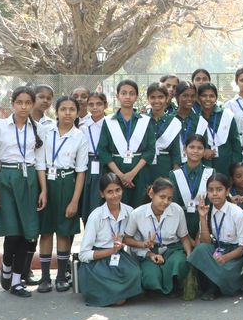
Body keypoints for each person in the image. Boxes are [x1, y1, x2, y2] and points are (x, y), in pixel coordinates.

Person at [0, 86, 48, 298]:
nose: (23, 107)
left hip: (29, 179)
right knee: (12, 232)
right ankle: (6, 264)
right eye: (19, 102)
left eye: (28, 103)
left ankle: (16, 281)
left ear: (33, 105)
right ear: (12, 104)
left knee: (27, 233)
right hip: (7, 178)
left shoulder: (38, 128)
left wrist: (43, 190)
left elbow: (40, 162)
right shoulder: (0, 126)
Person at [36, 95, 85, 293]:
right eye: (63, 109)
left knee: (64, 231)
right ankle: (44, 277)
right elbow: (40, 163)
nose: (67, 113)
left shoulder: (80, 136)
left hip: (67, 183)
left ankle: (61, 276)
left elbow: (81, 171)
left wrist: (74, 200)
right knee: (46, 231)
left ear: (77, 112)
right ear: (56, 111)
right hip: (47, 181)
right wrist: (43, 190)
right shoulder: (46, 131)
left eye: (72, 109)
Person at [76, 173, 142, 307]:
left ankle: (118, 293)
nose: (115, 195)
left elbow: (133, 239)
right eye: (109, 192)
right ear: (102, 194)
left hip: (119, 256)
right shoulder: (96, 216)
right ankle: (116, 294)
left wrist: (142, 245)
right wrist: (111, 250)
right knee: (118, 297)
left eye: (118, 190)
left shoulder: (129, 212)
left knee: (135, 272)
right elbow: (83, 254)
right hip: (97, 261)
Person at [127, 176, 193, 296]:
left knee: (179, 262)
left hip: (172, 249)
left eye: (169, 198)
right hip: (149, 251)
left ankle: (174, 286)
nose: (166, 202)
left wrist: (189, 255)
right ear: (151, 193)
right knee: (150, 276)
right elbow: (127, 239)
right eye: (162, 197)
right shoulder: (137, 214)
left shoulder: (177, 210)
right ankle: (155, 287)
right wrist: (144, 245)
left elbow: (184, 237)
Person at [188, 172, 243, 300]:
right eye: (211, 190)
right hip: (217, 250)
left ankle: (215, 287)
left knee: (226, 272)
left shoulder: (237, 213)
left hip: (233, 254)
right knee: (200, 250)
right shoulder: (207, 210)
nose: (214, 193)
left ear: (227, 191)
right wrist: (202, 217)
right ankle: (212, 287)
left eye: (219, 189)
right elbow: (206, 242)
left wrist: (225, 258)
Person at [97, 79, 148, 207]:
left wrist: (132, 173)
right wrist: (120, 175)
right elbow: (103, 150)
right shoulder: (108, 121)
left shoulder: (145, 121)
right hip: (115, 171)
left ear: (136, 96)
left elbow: (150, 150)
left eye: (132, 93)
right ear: (117, 96)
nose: (127, 97)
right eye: (124, 93)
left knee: (138, 206)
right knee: (116, 206)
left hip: (138, 171)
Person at [138, 82, 182, 202]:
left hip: (164, 165)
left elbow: (176, 151)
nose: (156, 101)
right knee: (144, 199)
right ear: (148, 99)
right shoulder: (141, 119)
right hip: (145, 165)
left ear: (167, 98)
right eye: (153, 97)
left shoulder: (173, 122)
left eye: (160, 97)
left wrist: (175, 173)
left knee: (163, 198)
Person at [172, 134, 212, 241]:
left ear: (204, 151)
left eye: (200, 148)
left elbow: (210, 204)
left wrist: (199, 235)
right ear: (185, 149)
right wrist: (187, 238)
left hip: (203, 221)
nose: (195, 151)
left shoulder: (210, 172)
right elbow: (174, 206)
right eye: (192, 147)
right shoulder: (175, 174)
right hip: (180, 223)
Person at [197, 82, 241, 175]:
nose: (208, 99)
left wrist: (235, 170)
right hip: (203, 165)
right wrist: (202, 152)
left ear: (216, 98)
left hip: (226, 165)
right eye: (204, 96)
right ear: (198, 98)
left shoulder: (226, 115)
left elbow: (236, 143)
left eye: (211, 96)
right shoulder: (195, 117)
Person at [78, 91, 109, 219]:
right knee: (88, 196)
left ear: (105, 105)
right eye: (91, 104)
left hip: (106, 163)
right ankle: (88, 224)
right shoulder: (83, 126)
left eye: (99, 104)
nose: (95, 107)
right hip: (88, 163)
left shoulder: (111, 124)